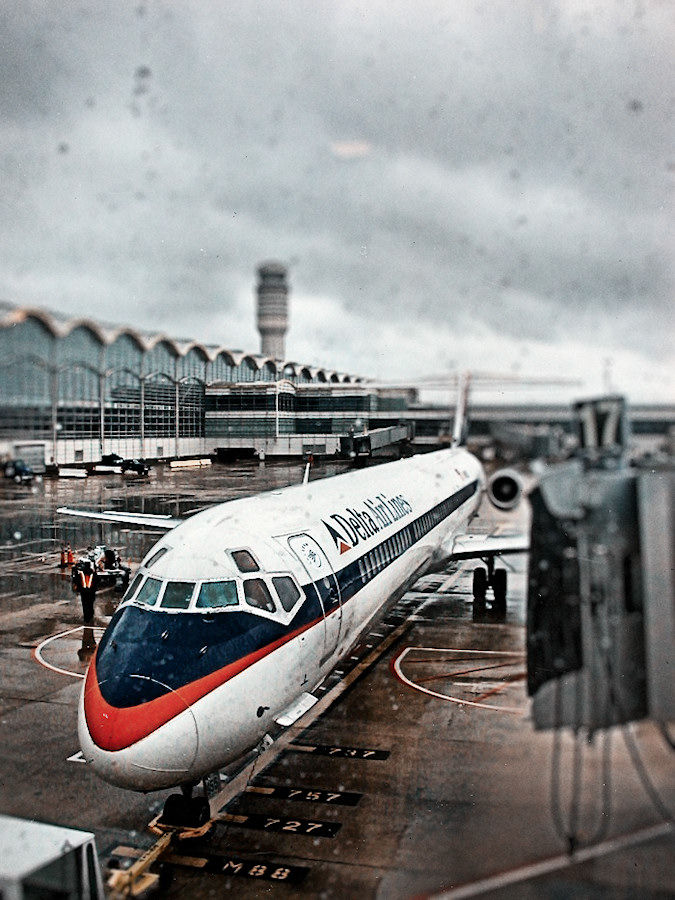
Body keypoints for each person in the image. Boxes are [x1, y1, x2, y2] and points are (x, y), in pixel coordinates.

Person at [74, 559, 98, 624]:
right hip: (91, 591)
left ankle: (86, 617)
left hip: (84, 592)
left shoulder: (81, 573)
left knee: (85, 605)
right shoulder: (93, 573)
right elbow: (98, 581)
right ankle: (90, 615)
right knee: (90, 604)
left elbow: (76, 579)